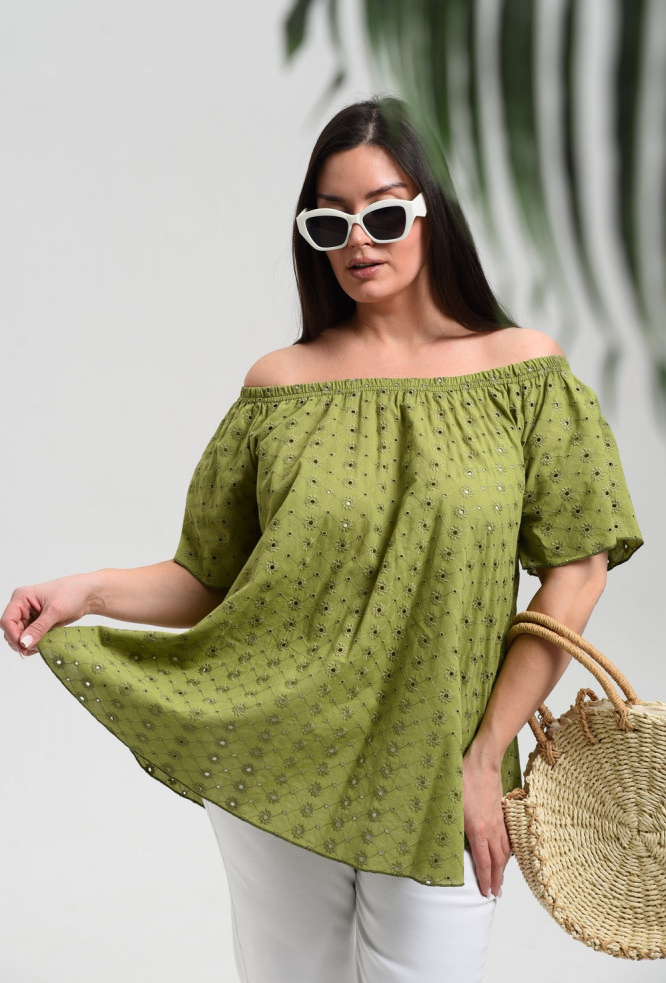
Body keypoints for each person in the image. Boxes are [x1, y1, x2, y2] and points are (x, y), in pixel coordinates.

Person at [2, 97, 642, 983]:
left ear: (431, 215)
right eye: (330, 222)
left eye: (383, 214)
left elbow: (577, 572)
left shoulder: (523, 372)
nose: (358, 241)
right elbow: (208, 576)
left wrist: (486, 753)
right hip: (280, 754)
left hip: (441, 763)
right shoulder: (280, 386)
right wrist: (85, 591)